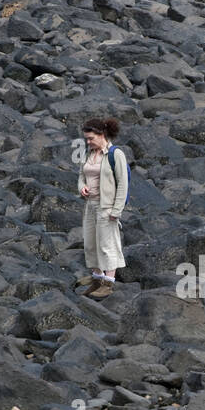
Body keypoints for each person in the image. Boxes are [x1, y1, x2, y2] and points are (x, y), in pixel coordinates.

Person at [74, 116, 128, 299]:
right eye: (86, 139)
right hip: (90, 205)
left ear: (102, 134)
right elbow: (81, 176)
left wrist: (116, 210)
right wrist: (82, 187)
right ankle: (97, 278)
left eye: (91, 138)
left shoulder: (115, 154)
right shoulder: (89, 154)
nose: (88, 142)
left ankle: (108, 283)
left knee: (107, 244)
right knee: (90, 243)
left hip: (107, 206)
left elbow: (123, 184)